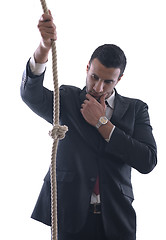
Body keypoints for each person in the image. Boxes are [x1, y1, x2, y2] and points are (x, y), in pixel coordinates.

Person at [21, 12, 157, 240]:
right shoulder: (68, 99)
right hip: (70, 215)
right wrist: (44, 48)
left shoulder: (136, 109)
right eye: (94, 77)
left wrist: (103, 124)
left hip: (116, 219)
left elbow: (147, 161)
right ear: (87, 68)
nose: (98, 86)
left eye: (108, 81)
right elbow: (30, 94)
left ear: (119, 79)